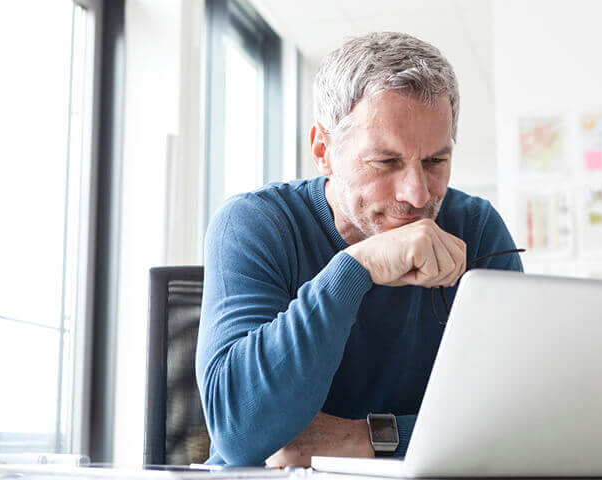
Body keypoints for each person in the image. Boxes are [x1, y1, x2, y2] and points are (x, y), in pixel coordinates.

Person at [195, 31, 523, 467]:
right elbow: (240, 433)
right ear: (323, 150)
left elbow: (521, 417)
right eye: (386, 163)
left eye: (435, 161)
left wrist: (362, 440)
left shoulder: (477, 228)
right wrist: (355, 267)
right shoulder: (254, 224)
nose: (417, 194)